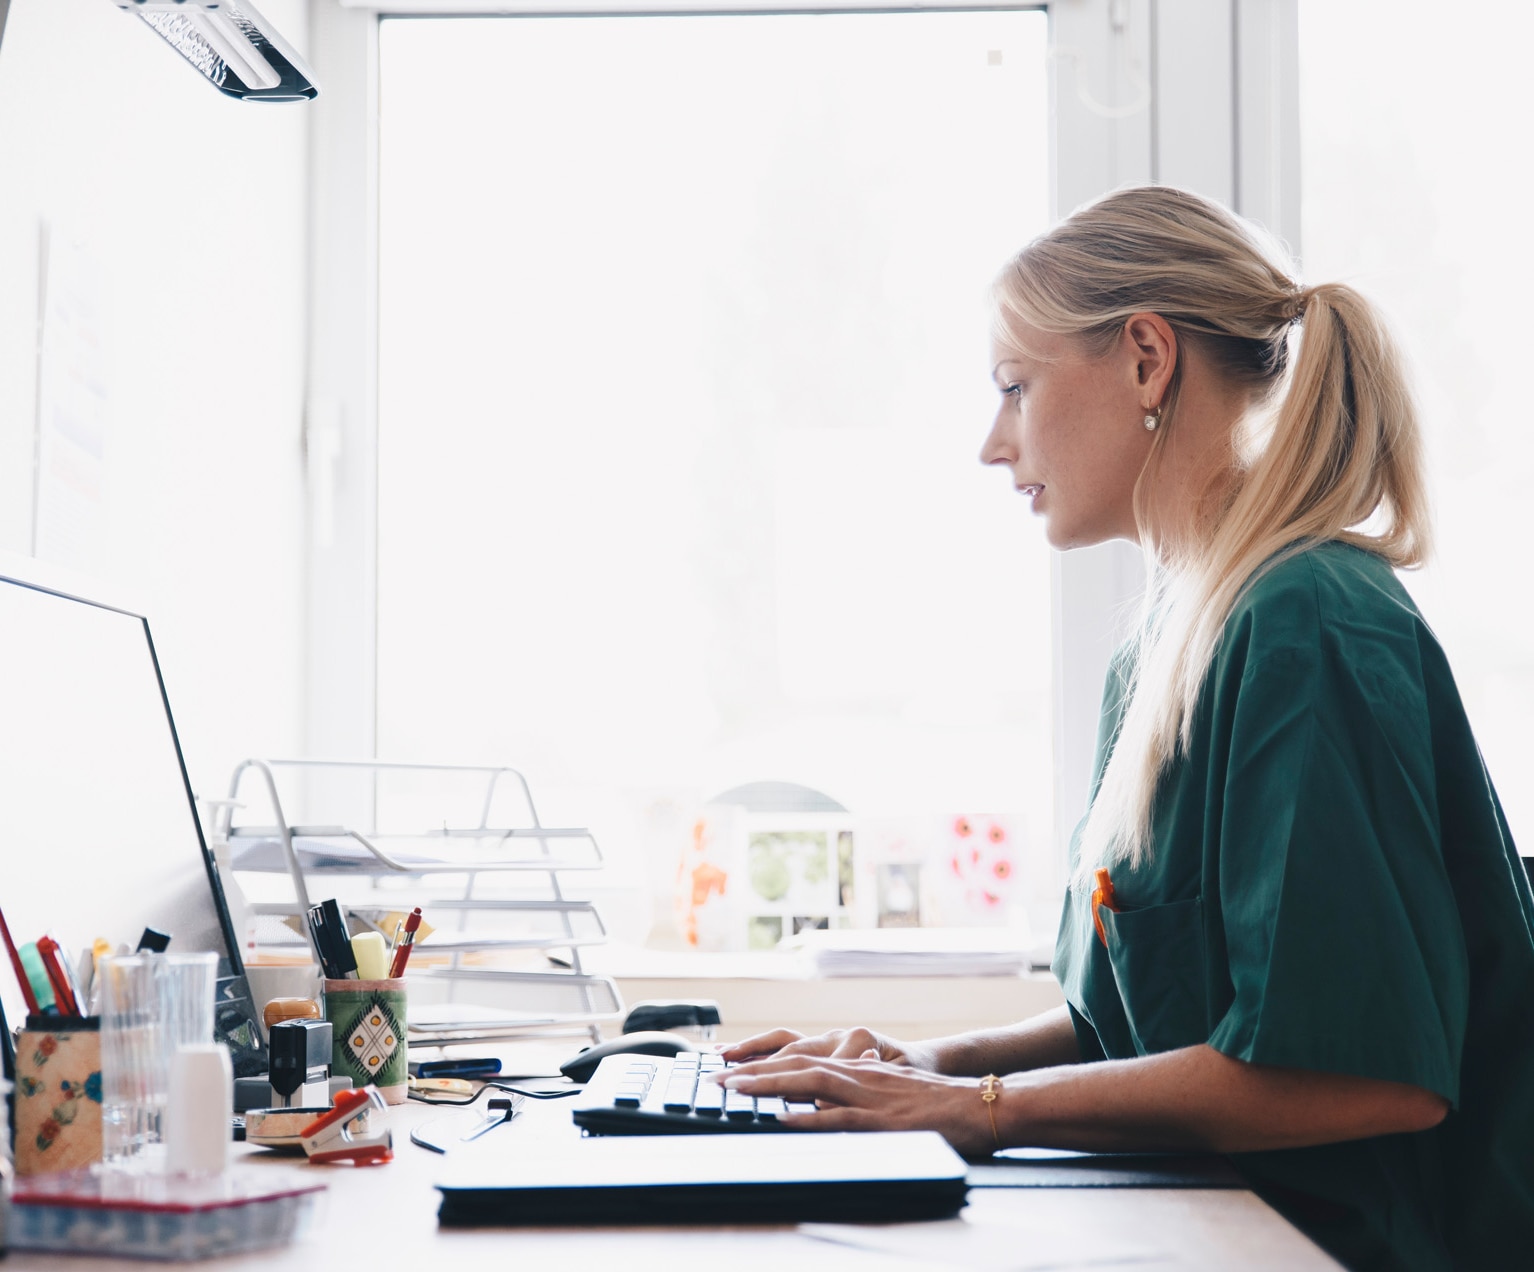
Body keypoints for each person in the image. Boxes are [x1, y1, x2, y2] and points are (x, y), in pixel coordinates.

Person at [717, 186, 1534, 1271]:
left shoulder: (1308, 626)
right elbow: (1147, 1026)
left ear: (1147, 359)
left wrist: (987, 1109)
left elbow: (1360, 1074)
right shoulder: (1161, 645)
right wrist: (931, 1064)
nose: (991, 445)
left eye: (1015, 387)